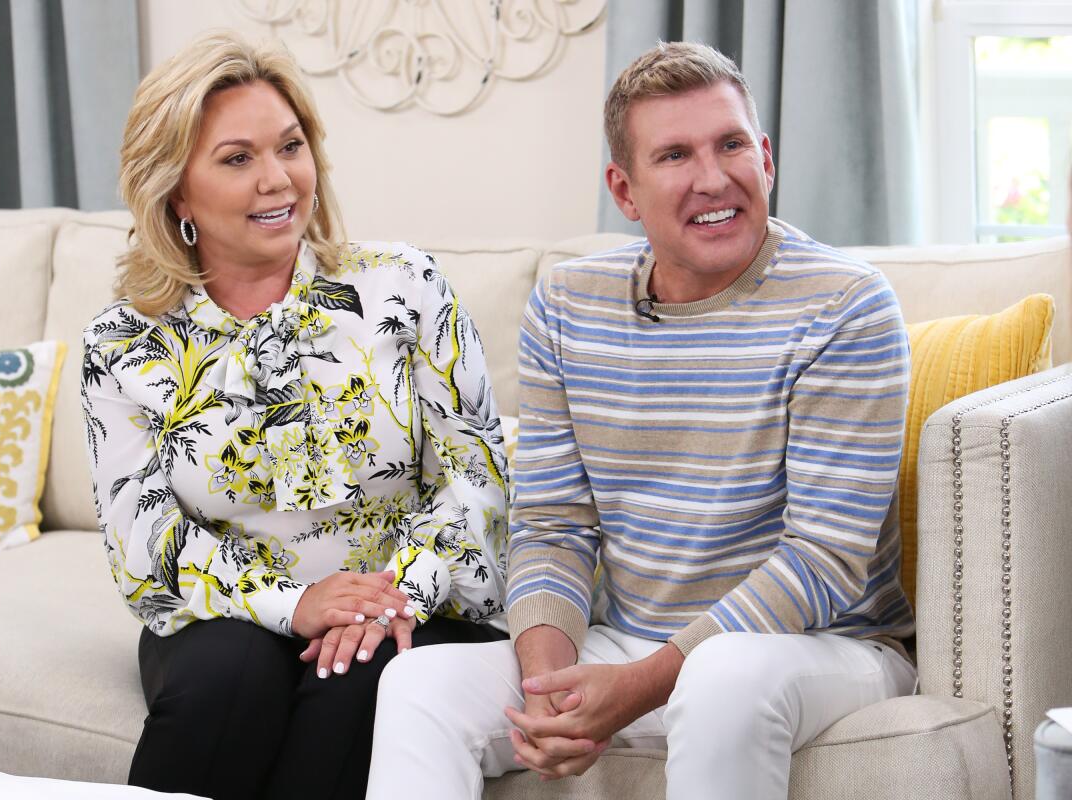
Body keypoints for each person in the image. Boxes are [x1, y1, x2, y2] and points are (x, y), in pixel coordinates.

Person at [367, 41, 916, 799]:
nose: (713, 177)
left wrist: (640, 685)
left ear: (766, 157)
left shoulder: (846, 306)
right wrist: (550, 686)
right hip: (630, 641)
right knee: (418, 684)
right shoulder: (566, 306)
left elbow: (823, 559)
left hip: (818, 650)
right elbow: (554, 524)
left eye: (731, 145)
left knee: (723, 677)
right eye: (675, 155)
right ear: (624, 191)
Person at [80, 32, 509, 800]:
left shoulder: (403, 286)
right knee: (228, 683)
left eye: (291, 145)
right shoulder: (123, 344)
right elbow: (142, 544)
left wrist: (394, 593)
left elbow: (477, 476)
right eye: (237, 158)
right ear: (175, 190)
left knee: (355, 682)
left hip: (404, 601)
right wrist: (296, 605)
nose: (278, 179)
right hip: (225, 619)